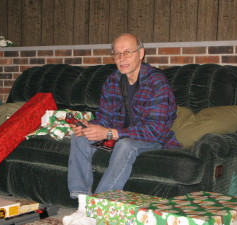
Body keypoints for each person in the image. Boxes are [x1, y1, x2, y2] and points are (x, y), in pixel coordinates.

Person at [63, 33, 180, 225]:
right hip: (117, 137)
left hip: (153, 141)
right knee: (80, 139)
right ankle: (83, 206)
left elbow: (155, 130)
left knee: (125, 145)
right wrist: (89, 127)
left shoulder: (157, 82)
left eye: (127, 52)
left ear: (141, 53)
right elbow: (104, 117)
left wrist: (109, 133)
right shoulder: (112, 81)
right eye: (116, 54)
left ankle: (97, 210)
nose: (121, 58)